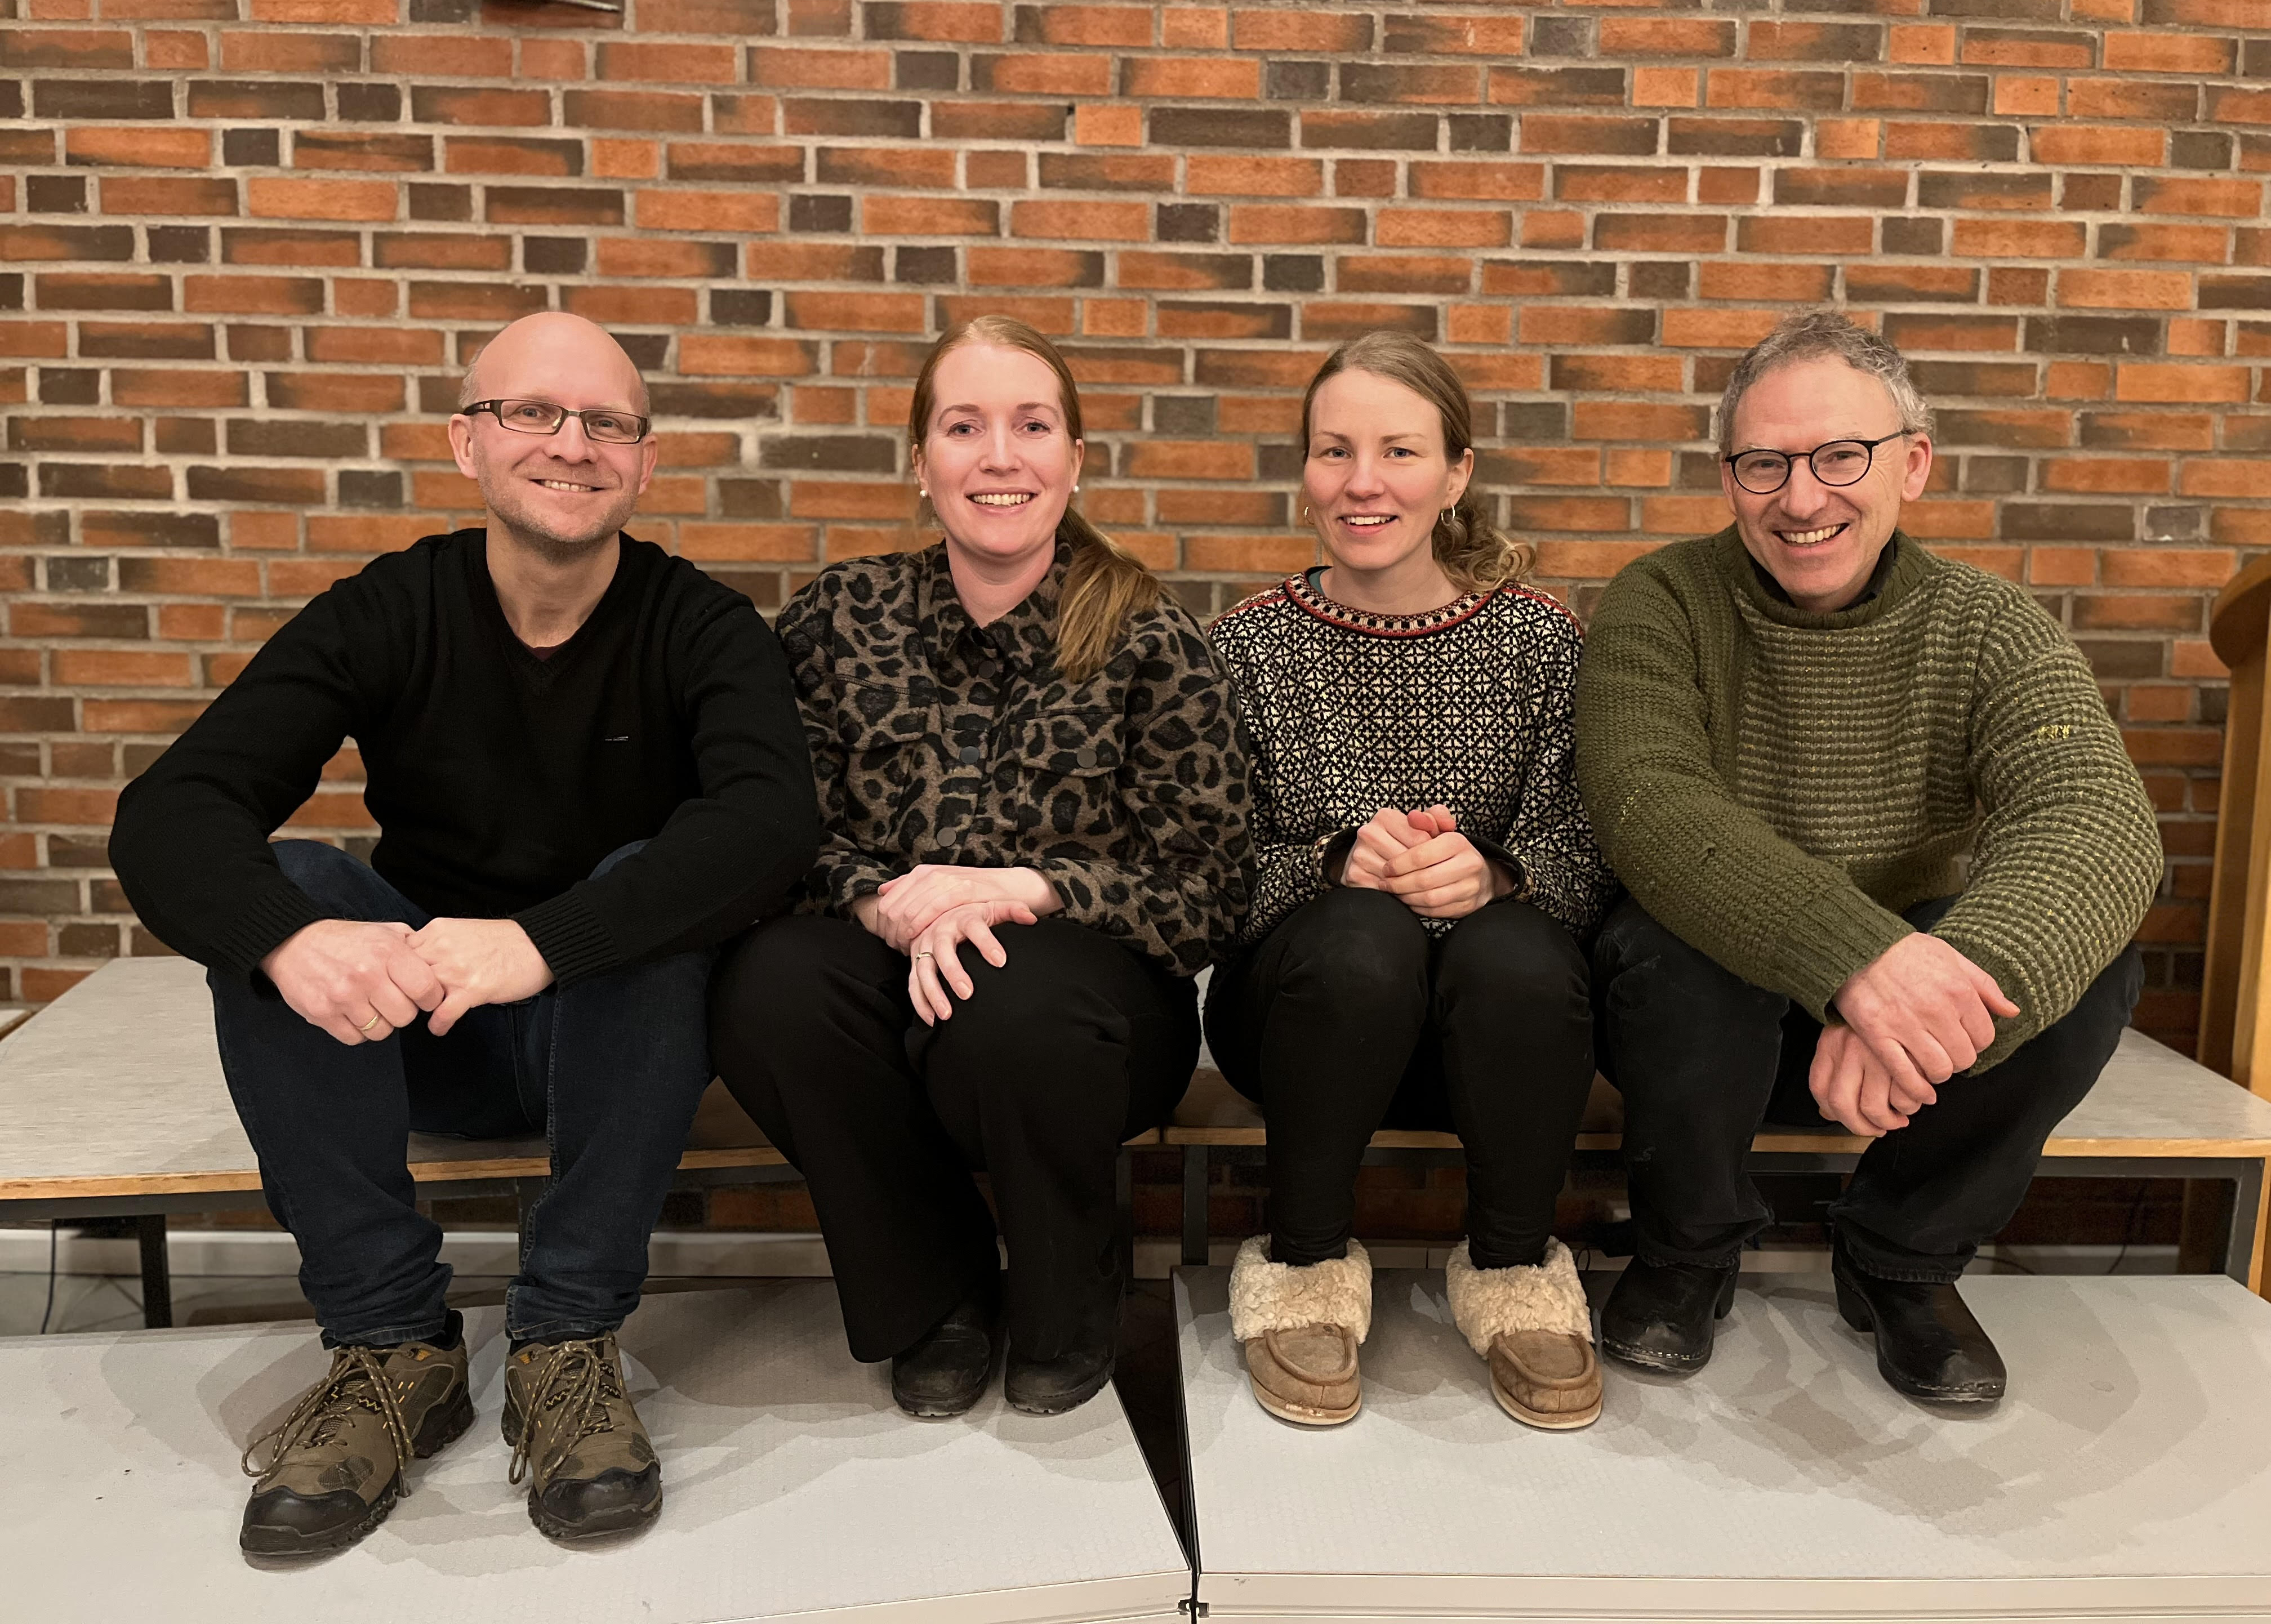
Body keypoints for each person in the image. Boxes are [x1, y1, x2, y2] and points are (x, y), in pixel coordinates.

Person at [109, 312, 820, 1555]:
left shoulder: (700, 626)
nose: (572, 444)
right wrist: (289, 939)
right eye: (531, 413)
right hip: (422, 1028)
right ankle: (391, 1348)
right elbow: (171, 811)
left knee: (658, 884)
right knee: (291, 885)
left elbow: (773, 825)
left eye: (607, 423)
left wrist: (541, 941)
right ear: (467, 441)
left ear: (644, 462)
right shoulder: (390, 609)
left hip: (612, 1036)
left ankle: (566, 1341)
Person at [1576, 310, 2161, 1404]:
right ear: (1729, 477)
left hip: (1912, 1058)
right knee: (1666, 943)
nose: (1802, 499)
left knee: (2089, 966)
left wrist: (1921, 993)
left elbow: (2098, 821)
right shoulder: (1662, 600)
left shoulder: (1990, 625)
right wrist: (1856, 963)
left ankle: (1903, 1260)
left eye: (1841, 456)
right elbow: (1647, 802)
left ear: (1914, 464)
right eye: (1764, 464)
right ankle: (1685, 1252)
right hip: (1702, 1033)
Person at [709, 316, 1248, 1420]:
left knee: (1013, 993)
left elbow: (1210, 888)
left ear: (1075, 458)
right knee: (769, 984)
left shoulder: (1148, 634)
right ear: (921, 462)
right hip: (888, 968)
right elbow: (767, 831)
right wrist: (886, 903)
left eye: (1032, 426)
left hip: (1087, 1016)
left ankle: (1070, 1290)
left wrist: (1021, 892)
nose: (1000, 456)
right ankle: (938, 1290)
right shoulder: (839, 618)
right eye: (964, 427)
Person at [1205, 333, 1617, 1430]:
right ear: (1305, 471)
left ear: (1456, 473)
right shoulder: (1243, 648)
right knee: (1363, 934)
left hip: (1493, 1046)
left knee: (1516, 950)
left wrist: (1496, 873)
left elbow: (1590, 858)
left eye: (1399, 451)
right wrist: (1331, 862)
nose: (1363, 481)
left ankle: (1516, 1269)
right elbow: (1200, 878)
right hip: (1301, 1029)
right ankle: (1303, 1265)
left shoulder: (1542, 643)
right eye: (1334, 451)